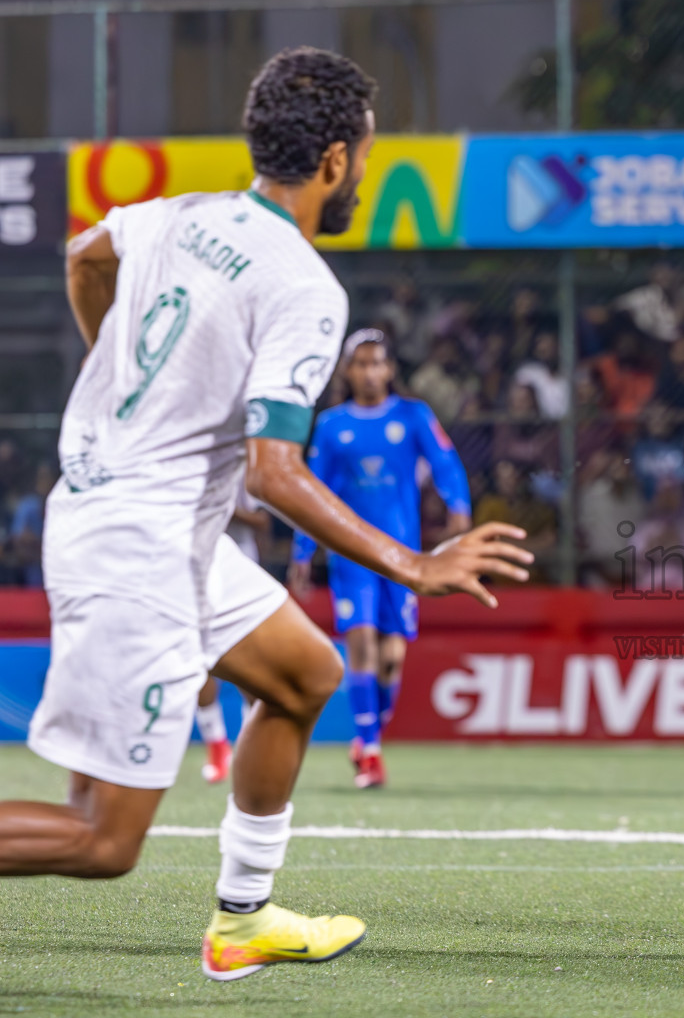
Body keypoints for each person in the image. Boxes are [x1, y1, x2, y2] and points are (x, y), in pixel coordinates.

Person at [0, 48, 533, 983]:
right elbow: (277, 475)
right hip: (140, 546)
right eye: (364, 155)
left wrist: (124, 373)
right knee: (100, 838)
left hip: (142, 518)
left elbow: (86, 254)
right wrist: (415, 564)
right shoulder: (303, 284)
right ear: (335, 161)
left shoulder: (186, 212)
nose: (363, 173)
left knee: (302, 674)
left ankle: (243, 919)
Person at [288, 329, 473, 789]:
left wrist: (458, 506)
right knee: (362, 642)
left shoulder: (412, 416)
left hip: (403, 557)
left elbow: (446, 462)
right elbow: (314, 492)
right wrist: (303, 550)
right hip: (352, 555)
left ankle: (370, 730)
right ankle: (370, 751)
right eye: (361, 364)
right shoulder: (332, 426)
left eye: (377, 364)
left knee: (392, 658)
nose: (370, 372)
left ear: (389, 369)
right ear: (347, 371)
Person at [195, 485, 272, 785]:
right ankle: (216, 747)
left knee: (249, 664)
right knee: (198, 660)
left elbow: (262, 521)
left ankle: (246, 746)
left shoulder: (240, 472)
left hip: (241, 573)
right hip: (198, 568)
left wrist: (224, 508)